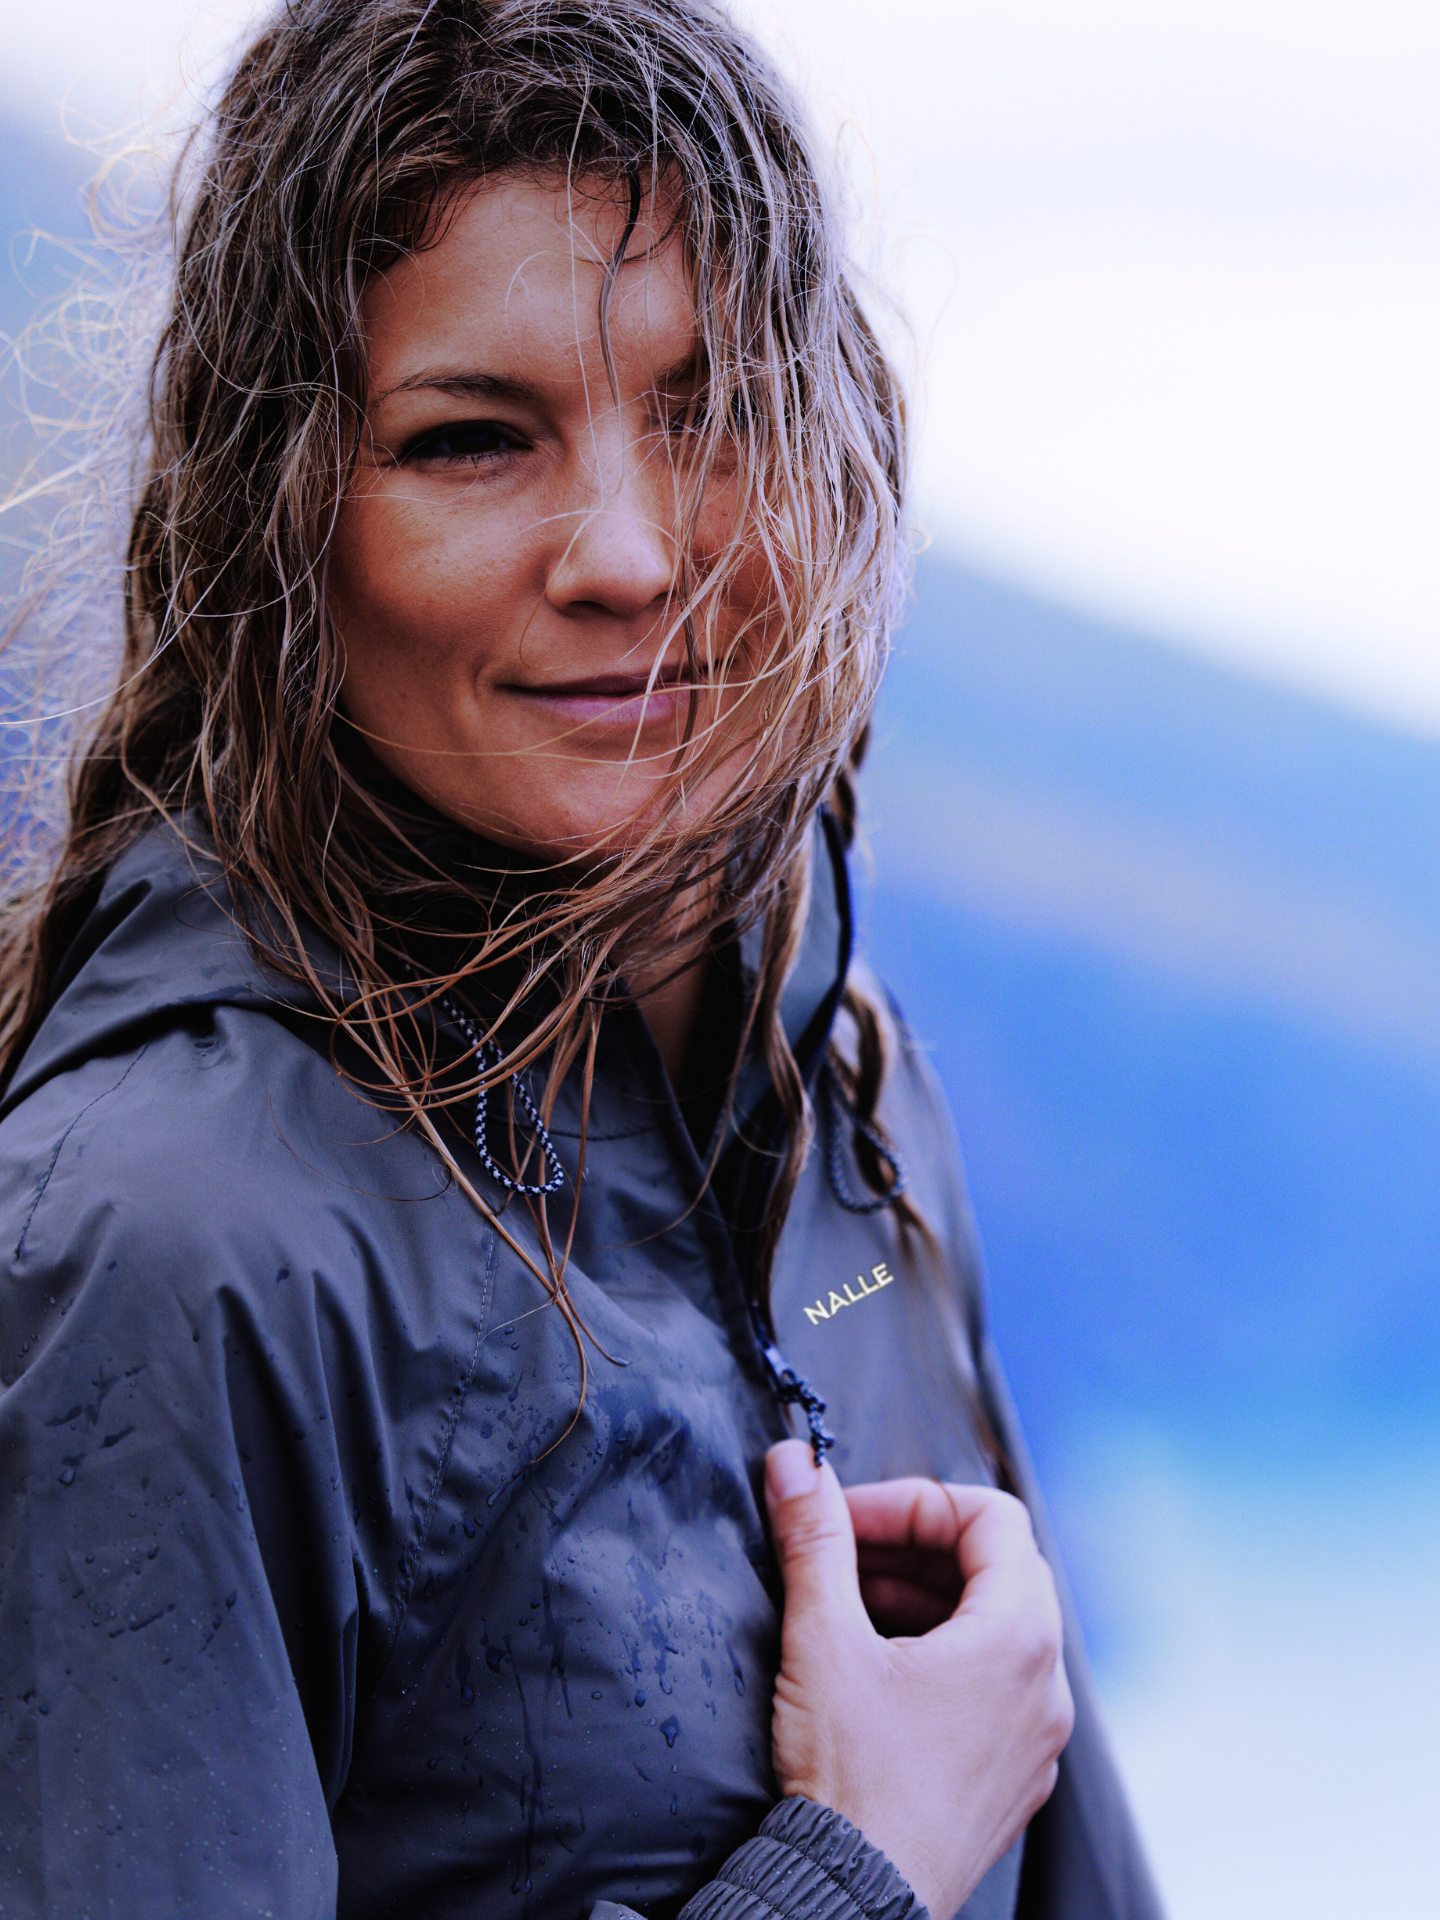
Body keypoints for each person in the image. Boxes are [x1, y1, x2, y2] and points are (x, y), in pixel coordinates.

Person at [0, 3, 1161, 1916]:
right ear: (284, 527)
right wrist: (852, 1870)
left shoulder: (842, 1102)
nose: (629, 554)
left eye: (712, 408)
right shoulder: (162, 1241)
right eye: (472, 438)